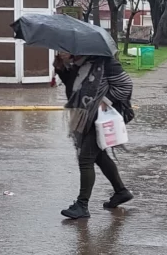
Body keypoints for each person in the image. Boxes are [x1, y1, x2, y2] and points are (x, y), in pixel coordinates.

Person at [54, 52, 134, 219]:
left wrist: (106, 100)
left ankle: (82, 205)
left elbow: (126, 85)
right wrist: (61, 68)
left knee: (86, 158)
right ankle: (121, 191)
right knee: (98, 156)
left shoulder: (105, 62)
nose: (63, 51)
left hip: (100, 118)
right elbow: (74, 88)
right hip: (87, 117)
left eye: (66, 50)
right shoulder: (80, 63)